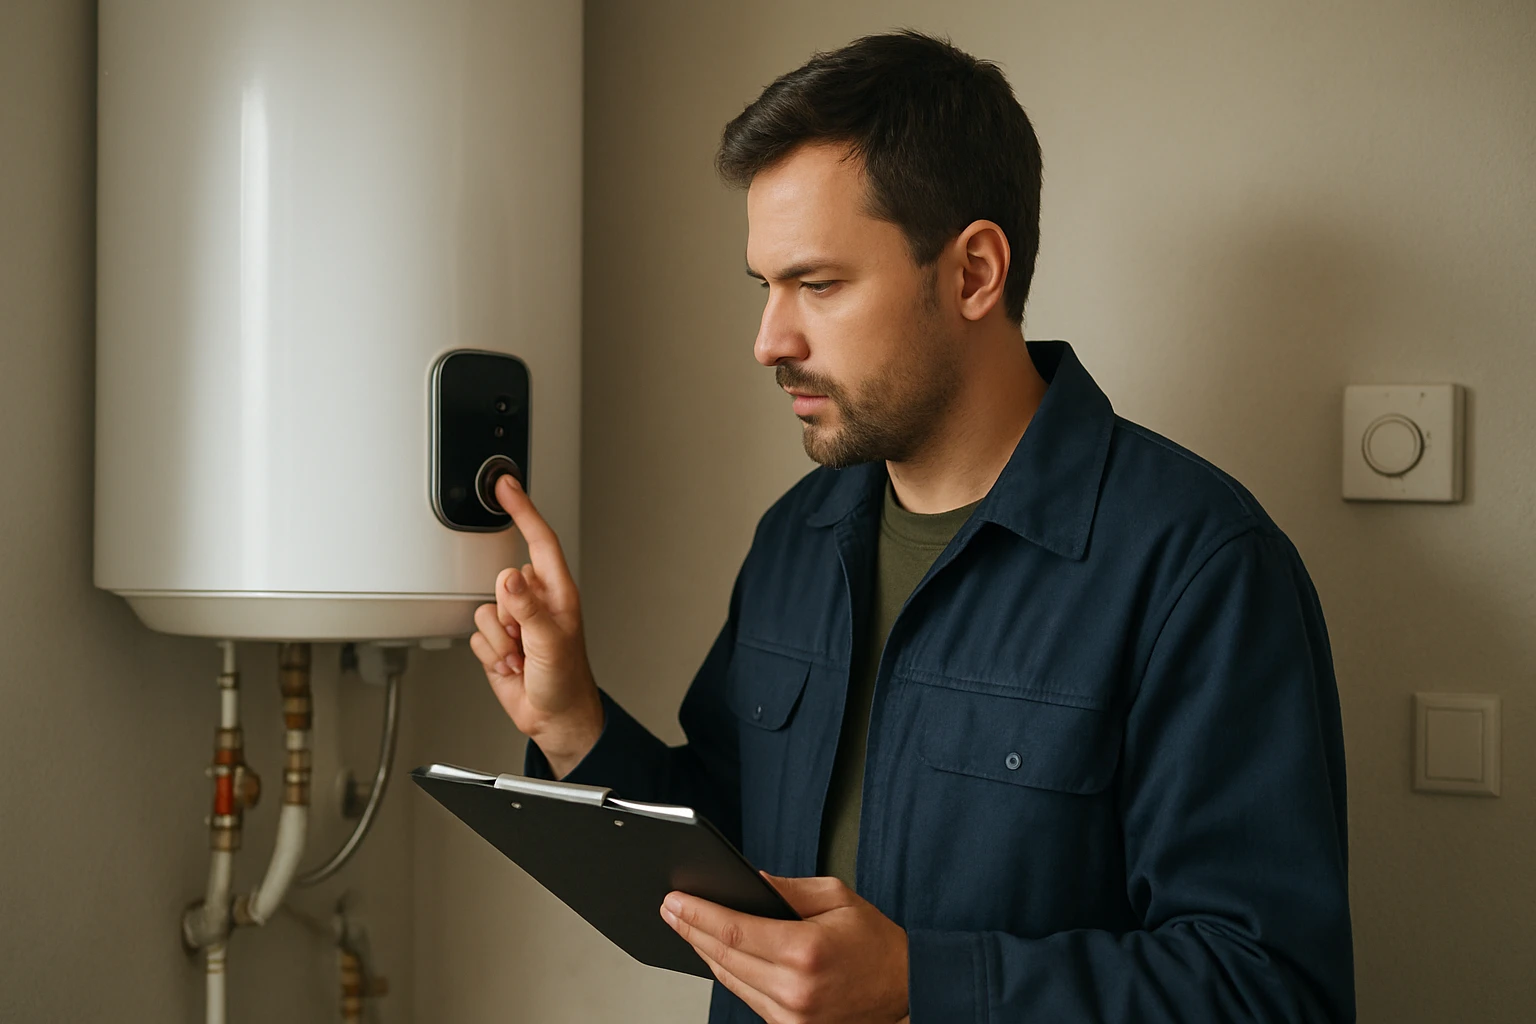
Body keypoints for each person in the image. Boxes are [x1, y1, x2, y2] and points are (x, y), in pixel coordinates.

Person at [469, 29, 1354, 1024]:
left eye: (819, 283)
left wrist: (916, 983)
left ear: (974, 272)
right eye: (764, 287)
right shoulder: (796, 536)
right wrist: (572, 720)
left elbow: (1271, 992)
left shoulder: (1200, 568)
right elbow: (731, 877)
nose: (770, 340)